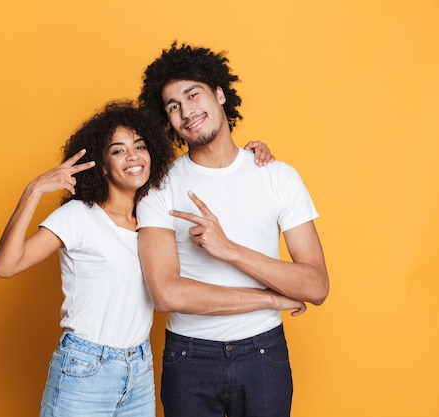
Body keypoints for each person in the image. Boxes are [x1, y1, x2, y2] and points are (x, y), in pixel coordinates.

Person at [0, 100, 281, 417]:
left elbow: (217, 174)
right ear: (102, 165)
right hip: (85, 367)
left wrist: (253, 157)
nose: (132, 157)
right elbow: (5, 266)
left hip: (140, 368)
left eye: (139, 146)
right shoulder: (78, 216)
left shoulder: (155, 214)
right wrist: (33, 191)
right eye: (118, 150)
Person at [136, 42, 329, 417]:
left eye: (193, 95)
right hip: (189, 356)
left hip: (264, 355)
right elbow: (166, 294)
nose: (186, 111)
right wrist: (270, 299)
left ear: (220, 94)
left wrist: (229, 250)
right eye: (173, 106)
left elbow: (316, 286)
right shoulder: (159, 186)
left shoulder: (277, 176)